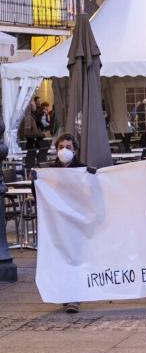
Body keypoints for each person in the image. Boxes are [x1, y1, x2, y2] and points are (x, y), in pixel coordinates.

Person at [43, 133, 85, 314]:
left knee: (75, 258)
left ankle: (73, 297)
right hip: (57, 224)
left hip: (77, 223)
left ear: (74, 150)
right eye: (61, 147)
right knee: (61, 259)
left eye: (68, 147)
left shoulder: (83, 169)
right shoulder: (50, 172)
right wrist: (35, 181)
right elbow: (41, 196)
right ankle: (65, 294)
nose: (64, 151)